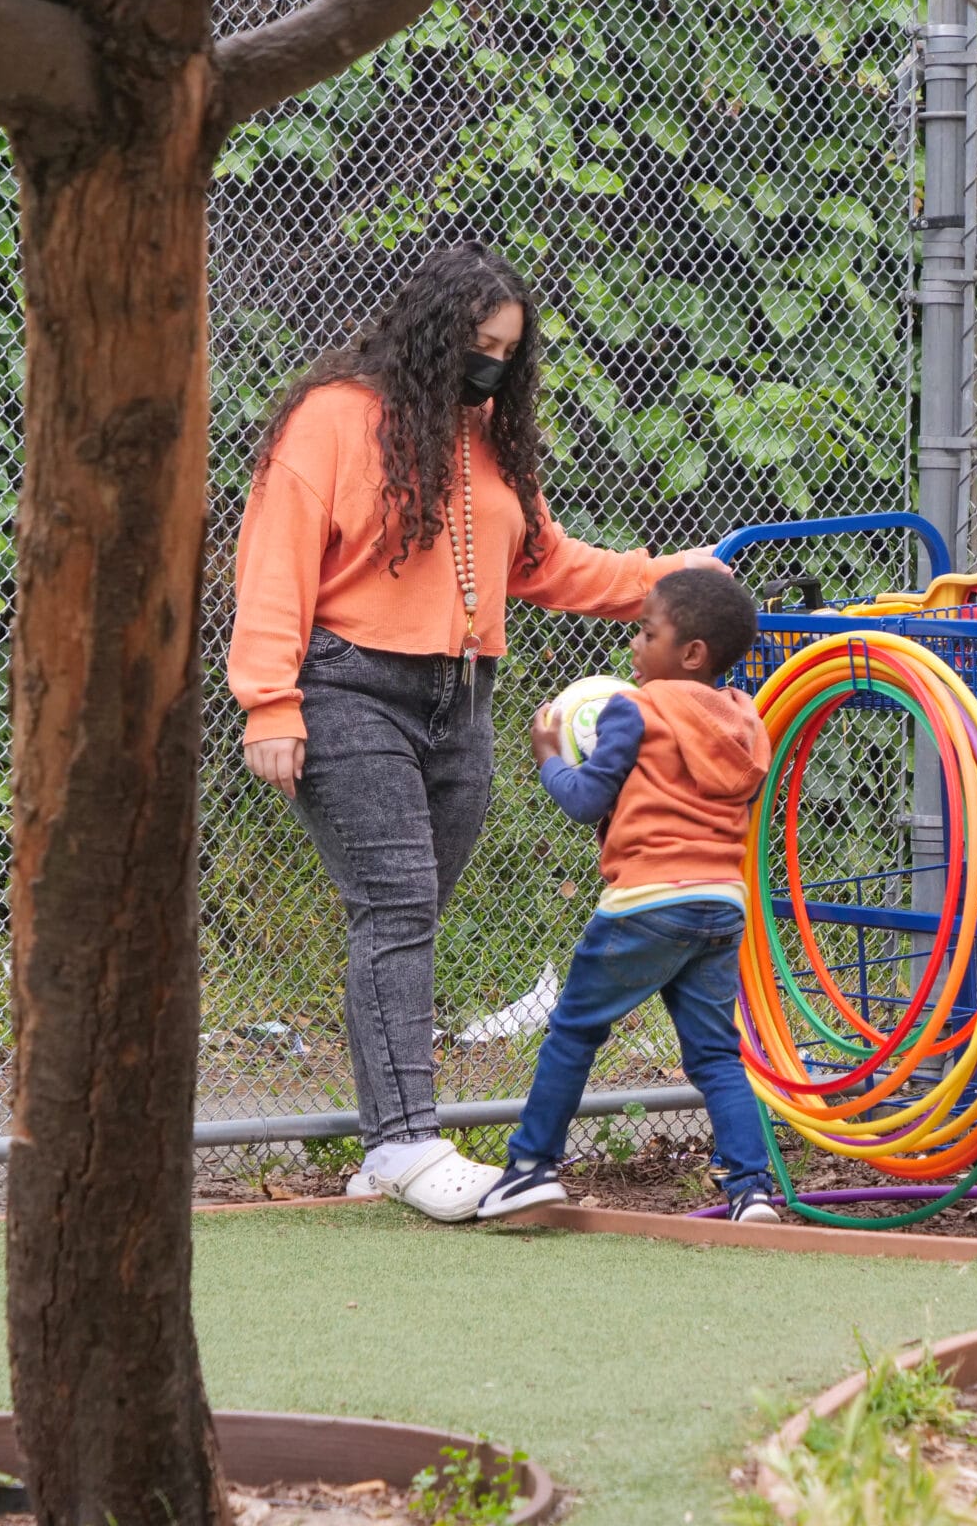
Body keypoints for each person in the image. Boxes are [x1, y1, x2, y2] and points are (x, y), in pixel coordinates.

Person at [228, 244, 727, 1222]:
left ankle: (381, 1150)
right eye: (474, 347)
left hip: (459, 697)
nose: (488, 367)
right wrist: (269, 703)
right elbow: (275, 563)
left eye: (504, 352)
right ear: (427, 333)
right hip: (346, 689)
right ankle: (410, 1142)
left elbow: (539, 561)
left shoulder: (486, 432)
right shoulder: (332, 420)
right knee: (399, 901)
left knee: (402, 914)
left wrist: (663, 581)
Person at [478, 568, 779, 1224]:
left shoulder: (633, 709)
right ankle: (752, 1189)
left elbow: (586, 801)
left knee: (573, 1032)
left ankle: (530, 1168)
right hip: (721, 905)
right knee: (715, 1054)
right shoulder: (745, 721)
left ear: (690, 652)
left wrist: (551, 755)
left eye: (647, 634)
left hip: (646, 903)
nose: (635, 647)